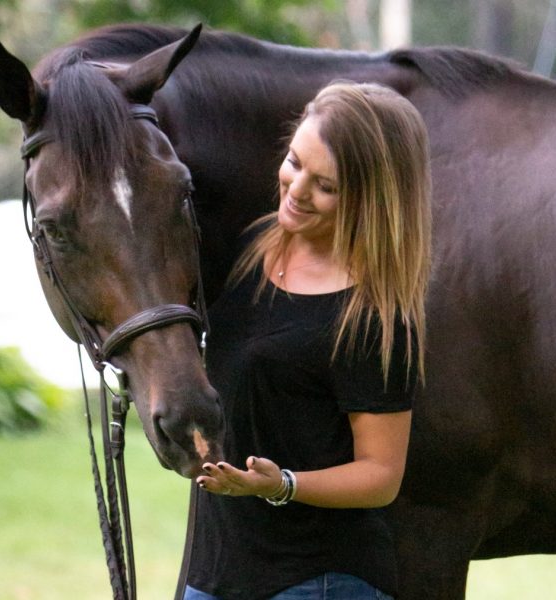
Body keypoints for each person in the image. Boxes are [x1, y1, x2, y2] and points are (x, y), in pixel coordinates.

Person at [184, 81, 432, 600]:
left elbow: (381, 475)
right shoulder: (252, 249)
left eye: (326, 185)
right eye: (295, 162)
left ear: (371, 198)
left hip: (318, 582)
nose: (296, 189)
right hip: (216, 573)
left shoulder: (373, 316)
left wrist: (282, 485)